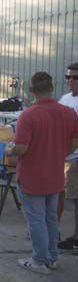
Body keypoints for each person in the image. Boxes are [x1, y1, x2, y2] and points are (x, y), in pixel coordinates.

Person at [6, 72, 78, 274]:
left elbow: (21, 148)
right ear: (52, 88)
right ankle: (52, 257)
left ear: (31, 90)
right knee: (52, 218)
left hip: (32, 176)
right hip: (55, 174)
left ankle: (39, 259)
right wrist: (60, 154)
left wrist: (8, 149)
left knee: (36, 219)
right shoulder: (69, 113)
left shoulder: (28, 115)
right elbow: (74, 143)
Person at [58, 62, 78, 251]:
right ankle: (53, 231)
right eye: (68, 77)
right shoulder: (64, 99)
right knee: (60, 195)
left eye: (75, 77)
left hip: (75, 157)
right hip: (62, 156)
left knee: (75, 198)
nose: (70, 80)